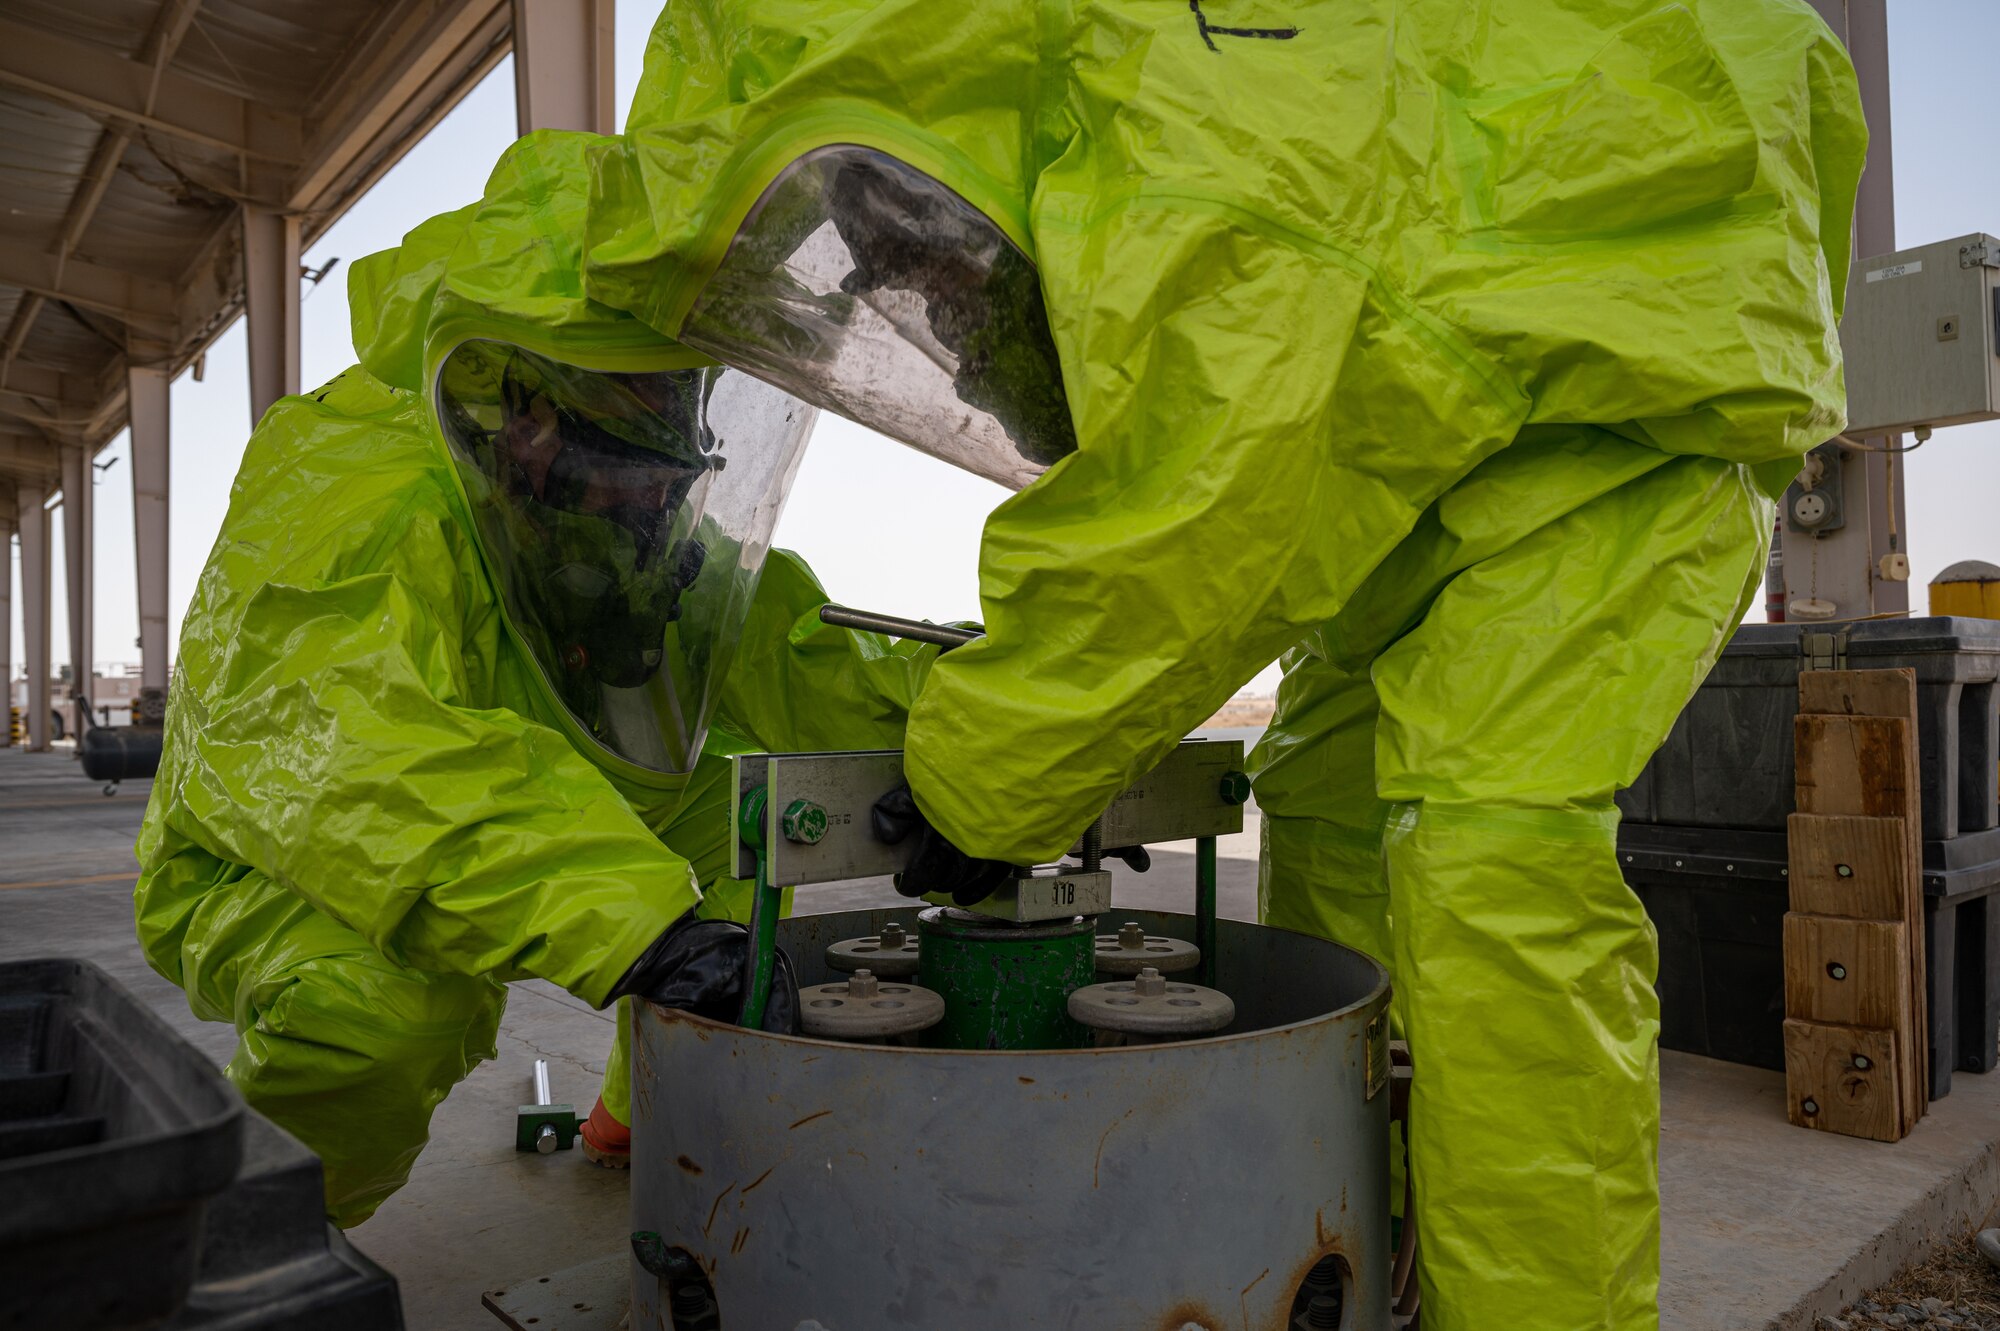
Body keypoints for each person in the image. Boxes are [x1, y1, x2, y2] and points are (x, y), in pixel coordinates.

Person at [560, 2, 1867, 1325]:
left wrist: (985, 777)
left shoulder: (1184, 122)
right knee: (1324, 794)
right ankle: (1382, 1224)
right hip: (1462, 414)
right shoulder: (1109, 117)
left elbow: (1195, 522)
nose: (920, 290)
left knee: (1489, 857)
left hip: (1626, 405)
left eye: (899, 244)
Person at [132, 140, 940, 1223]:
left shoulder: (607, 506)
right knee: (378, 1011)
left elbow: (793, 652)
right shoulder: (348, 485)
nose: (662, 461)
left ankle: (638, 1106)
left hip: (526, 804)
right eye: (635, 401)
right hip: (277, 852)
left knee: (763, 814)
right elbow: (352, 758)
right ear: (523, 400)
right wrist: (637, 929)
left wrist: (963, 751)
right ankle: (242, 1249)